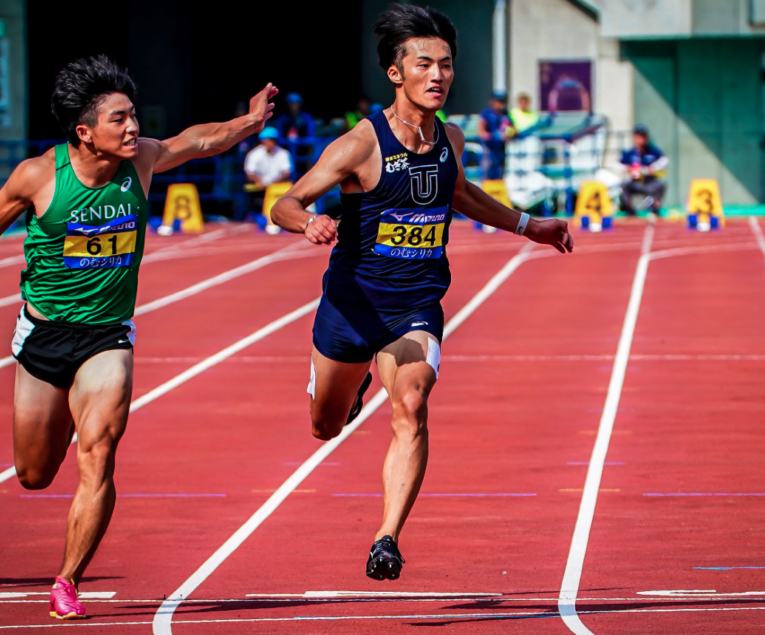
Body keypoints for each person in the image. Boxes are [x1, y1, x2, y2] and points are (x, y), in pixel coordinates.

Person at [0, 55, 276, 620]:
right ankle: (63, 419)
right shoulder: (40, 176)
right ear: (85, 133)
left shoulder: (140, 162)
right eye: (120, 119)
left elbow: (201, 140)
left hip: (106, 338)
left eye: (134, 115)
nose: (133, 128)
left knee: (100, 454)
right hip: (43, 337)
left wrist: (250, 122)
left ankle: (67, 580)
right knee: (34, 474)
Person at [270, 4, 573, 582]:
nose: (438, 75)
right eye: (425, 64)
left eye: (447, 65)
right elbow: (285, 201)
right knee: (324, 426)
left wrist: (528, 226)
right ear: (396, 72)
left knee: (411, 406)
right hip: (352, 306)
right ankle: (351, 381)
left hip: (415, 305)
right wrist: (305, 223)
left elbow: (461, 194)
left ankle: (386, 538)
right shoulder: (359, 144)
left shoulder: (451, 137)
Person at [243, 126, 291, 225]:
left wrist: (274, 183)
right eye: (268, 140)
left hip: (277, 185)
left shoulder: (283, 153)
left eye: (272, 140)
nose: (270, 143)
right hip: (260, 185)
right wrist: (259, 181)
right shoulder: (254, 154)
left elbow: (286, 172)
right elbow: (249, 172)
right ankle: (255, 215)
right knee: (249, 191)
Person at [619, 124, 668, 216]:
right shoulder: (631, 152)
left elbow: (664, 161)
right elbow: (618, 164)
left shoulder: (653, 151)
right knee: (624, 184)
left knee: (661, 184)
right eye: (639, 136)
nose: (641, 139)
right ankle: (630, 208)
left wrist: (652, 168)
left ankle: (654, 207)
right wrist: (628, 169)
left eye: (643, 136)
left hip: (650, 183)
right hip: (635, 183)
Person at [477, 90, 515, 180]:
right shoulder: (487, 113)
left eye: (502, 101)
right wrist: (492, 136)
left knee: (501, 171)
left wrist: (508, 134)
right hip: (489, 148)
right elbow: (481, 131)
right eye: (498, 101)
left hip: (501, 148)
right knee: (487, 171)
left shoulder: (506, 114)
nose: (500, 103)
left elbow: (513, 129)